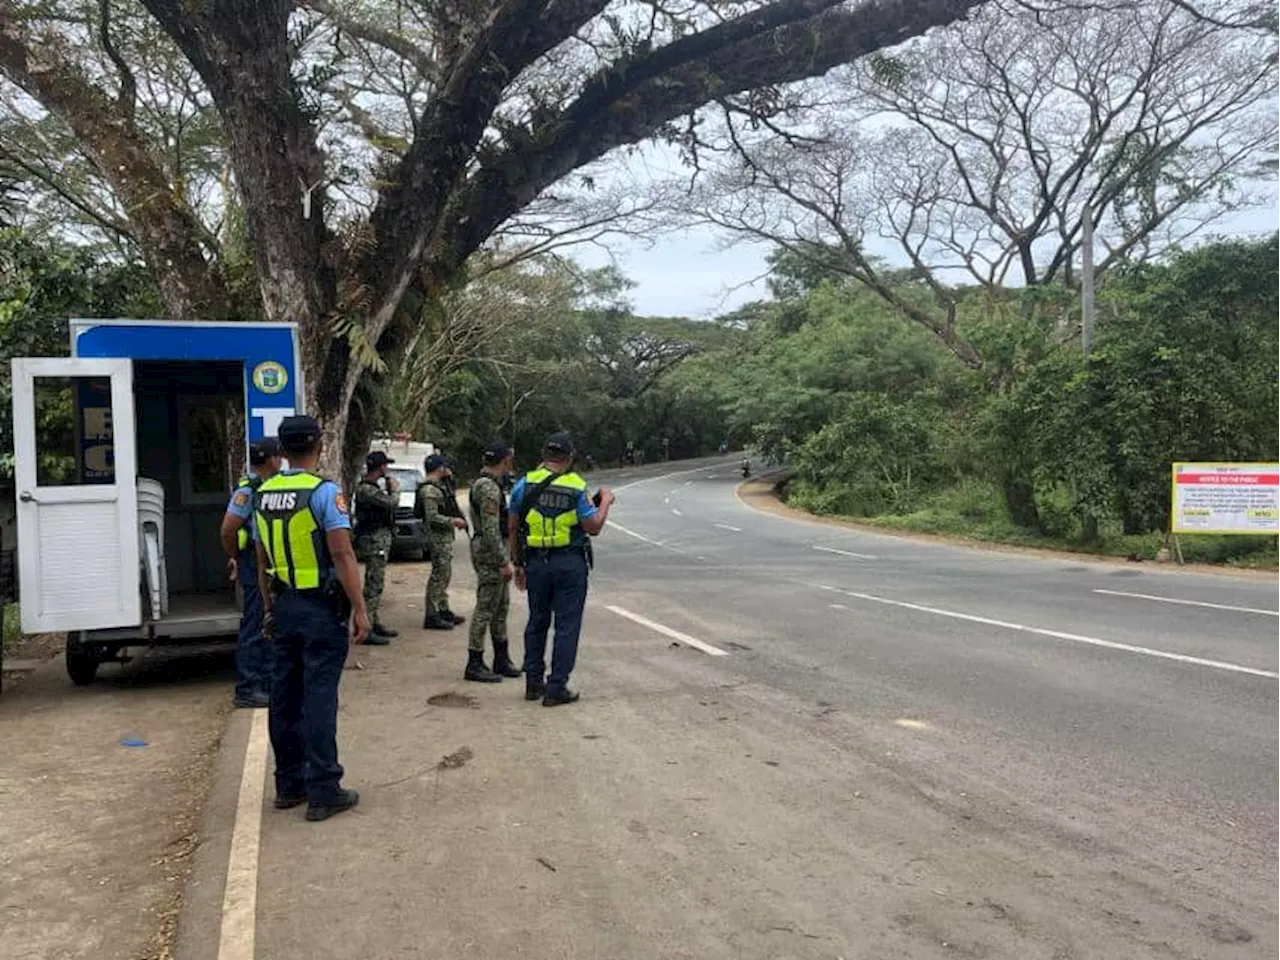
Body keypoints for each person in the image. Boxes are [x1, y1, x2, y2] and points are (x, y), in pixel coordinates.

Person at [254, 415, 369, 822]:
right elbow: (342, 554)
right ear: (319, 445)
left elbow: (261, 556)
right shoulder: (324, 493)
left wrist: (269, 605)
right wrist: (360, 607)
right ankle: (324, 789)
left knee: (284, 695)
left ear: (282, 451)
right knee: (319, 697)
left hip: (284, 605)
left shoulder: (263, 494)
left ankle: (289, 784)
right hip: (320, 608)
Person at [509, 432, 614, 706]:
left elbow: (512, 527)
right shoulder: (576, 486)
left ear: (543, 455)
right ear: (568, 458)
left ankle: (533, 683)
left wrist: (518, 563)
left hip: (536, 562)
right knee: (567, 625)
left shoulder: (523, 484)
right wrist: (605, 502)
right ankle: (556, 687)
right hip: (569, 563)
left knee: (537, 621)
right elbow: (594, 527)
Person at [220, 437, 283, 708]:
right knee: (255, 623)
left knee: (268, 622)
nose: (281, 461)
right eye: (278, 456)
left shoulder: (270, 487)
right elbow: (227, 529)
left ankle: (267, 682)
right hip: (251, 563)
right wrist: (235, 556)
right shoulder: (248, 490)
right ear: (270, 459)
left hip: (266, 563)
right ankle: (247, 687)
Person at [464, 440, 520, 683]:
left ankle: (501, 658)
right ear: (505, 460)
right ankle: (474, 662)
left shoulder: (489, 484)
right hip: (489, 553)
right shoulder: (488, 488)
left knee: (501, 606)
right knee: (486, 607)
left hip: (492, 551)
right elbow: (490, 529)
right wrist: (502, 560)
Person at [352, 451, 400, 645]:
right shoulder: (366, 489)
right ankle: (366, 626)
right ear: (380, 467)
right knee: (373, 584)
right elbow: (391, 503)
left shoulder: (372, 488)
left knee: (377, 583)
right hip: (372, 541)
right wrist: (395, 490)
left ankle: (374, 620)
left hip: (377, 539)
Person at [417, 454, 467, 629]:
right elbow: (432, 517)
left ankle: (443, 609)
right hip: (437, 538)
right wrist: (453, 521)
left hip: (444, 537)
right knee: (439, 576)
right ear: (439, 468)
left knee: (445, 574)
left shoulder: (440, 487)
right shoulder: (429, 490)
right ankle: (432, 614)